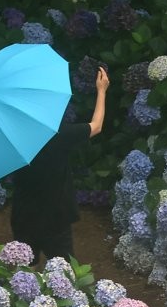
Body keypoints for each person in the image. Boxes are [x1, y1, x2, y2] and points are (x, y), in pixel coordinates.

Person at [9, 65, 109, 265]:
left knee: (25, 271)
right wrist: (101, 90)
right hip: (56, 216)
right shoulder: (58, 135)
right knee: (64, 274)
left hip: (23, 216)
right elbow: (96, 126)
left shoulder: (12, 136)